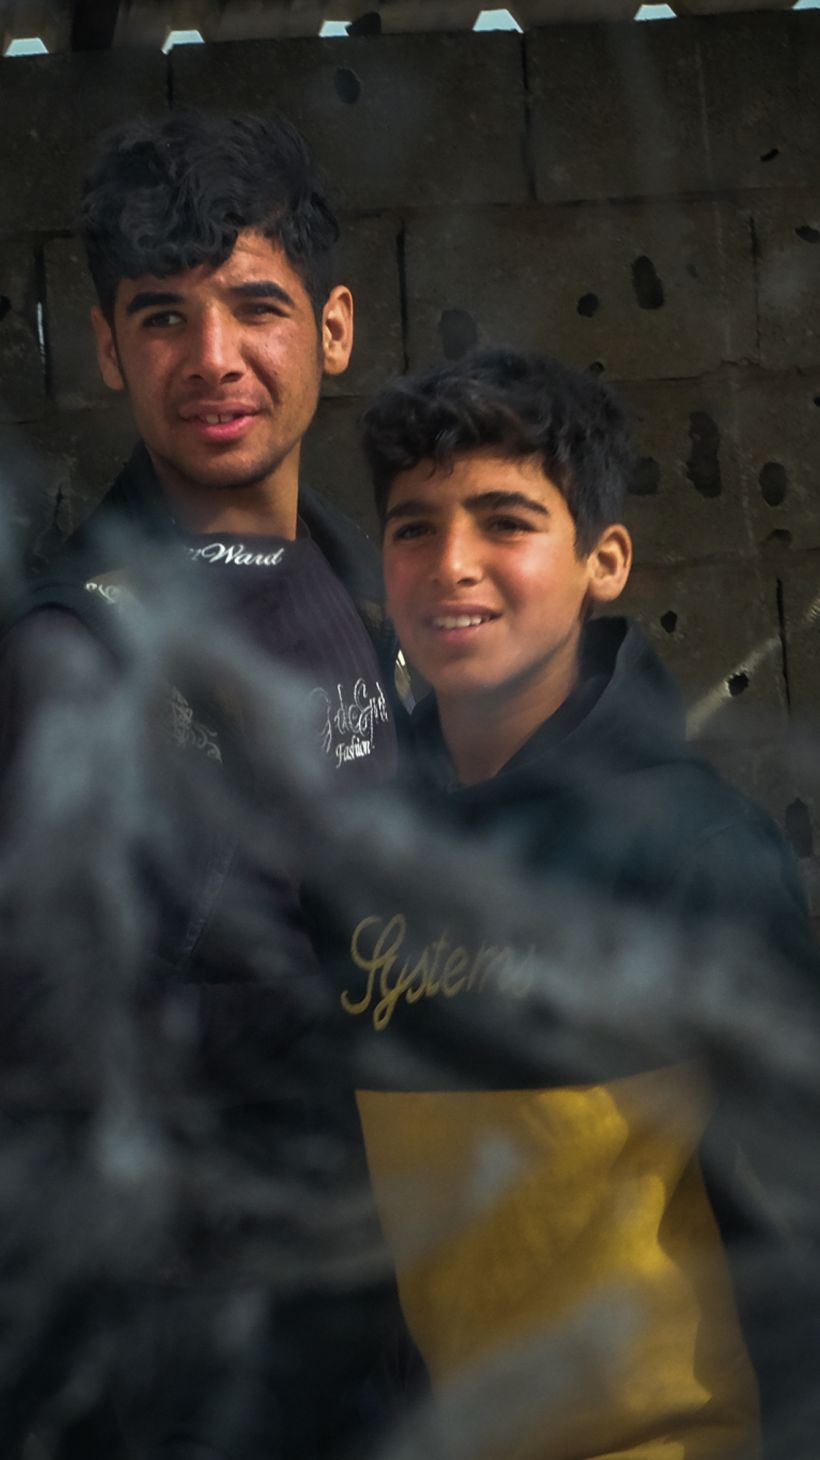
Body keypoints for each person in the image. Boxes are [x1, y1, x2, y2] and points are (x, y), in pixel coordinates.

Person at [309, 346, 820, 1460]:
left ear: (605, 559)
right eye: (413, 527)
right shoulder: (358, 860)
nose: (453, 563)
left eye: (506, 521)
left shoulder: (698, 853)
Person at [0, 111, 414, 1458]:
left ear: (333, 328)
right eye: (164, 317)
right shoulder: (82, 659)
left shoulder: (371, 586)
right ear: (109, 347)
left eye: (255, 305)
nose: (215, 358)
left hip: (385, 1319)